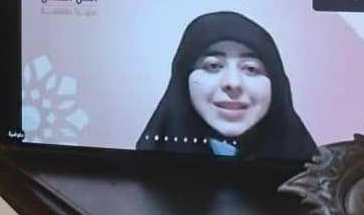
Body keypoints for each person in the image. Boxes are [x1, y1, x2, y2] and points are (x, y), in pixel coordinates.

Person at [136, 11, 317, 161]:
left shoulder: (314, 177)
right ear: (183, 80)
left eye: (251, 69)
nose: (233, 83)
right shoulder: (148, 166)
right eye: (213, 66)